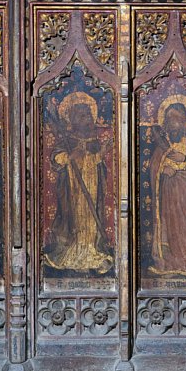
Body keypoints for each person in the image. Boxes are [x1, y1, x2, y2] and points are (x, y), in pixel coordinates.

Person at [43, 91, 113, 275]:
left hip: (91, 188)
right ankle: (74, 251)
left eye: (89, 115)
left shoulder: (94, 141)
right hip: (73, 189)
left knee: (91, 219)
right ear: (72, 120)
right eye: (82, 116)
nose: (87, 119)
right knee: (74, 219)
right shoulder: (67, 141)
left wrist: (101, 153)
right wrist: (69, 157)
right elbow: (56, 159)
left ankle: (91, 251)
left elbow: (96, 163)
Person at [148, 98, 186, 281]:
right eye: (169, 120)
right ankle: (169, 263)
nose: (172, 125)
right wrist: (162, 169)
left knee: (185, 229)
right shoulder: (162, 146)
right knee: (168, 226)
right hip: (167, 195)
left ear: (184, 123)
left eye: (176, 120)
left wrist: (178, 167)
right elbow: (154, 166)